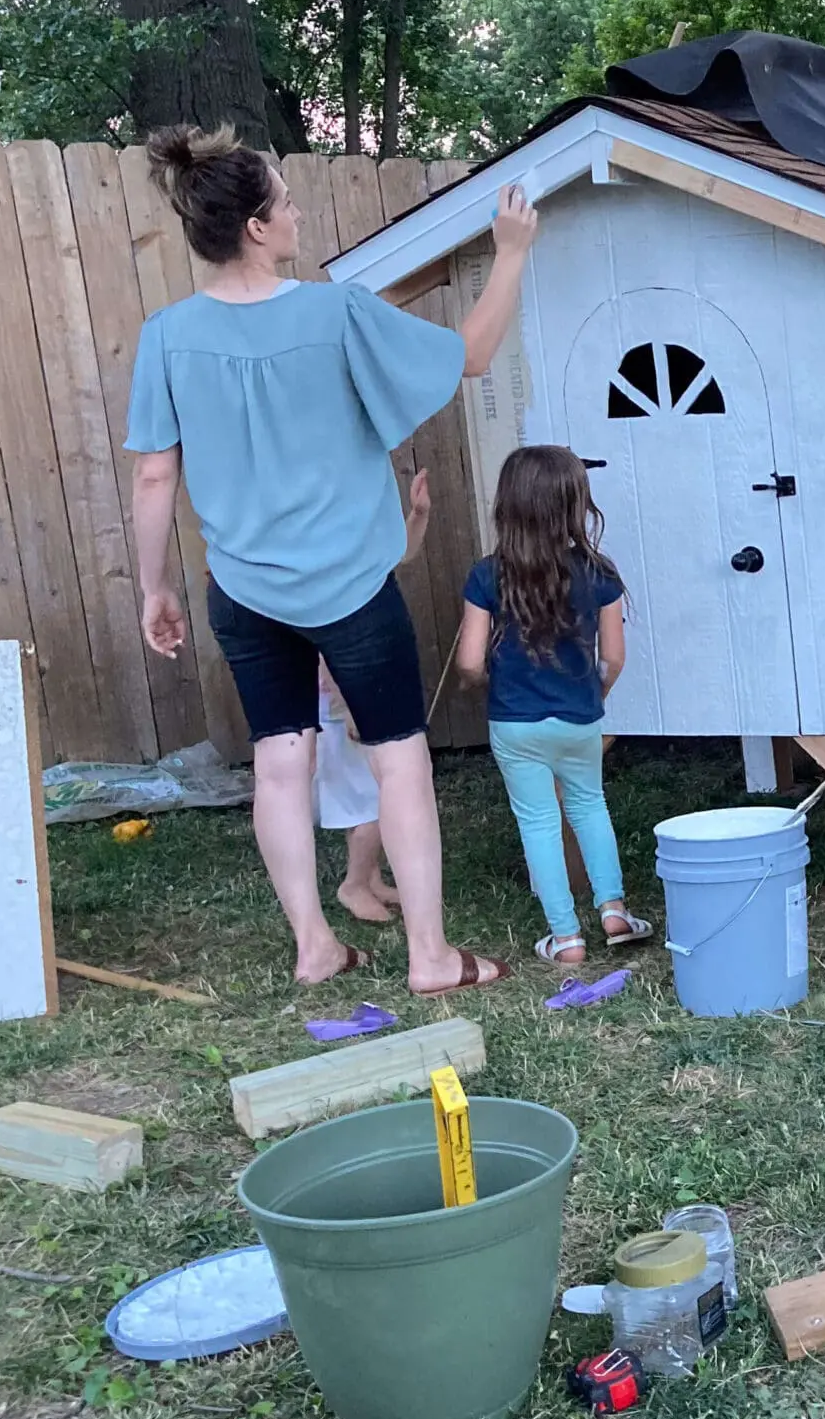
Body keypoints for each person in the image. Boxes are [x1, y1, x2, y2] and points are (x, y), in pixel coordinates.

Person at [125, 122, 536, 995]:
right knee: (399, 759)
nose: (297, 209)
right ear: (257, 230)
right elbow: (473, 355)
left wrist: (155, 585)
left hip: (242, 587)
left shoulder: (166, 336)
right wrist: (510, 252)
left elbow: (156, 475)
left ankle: (315, 945)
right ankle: (431, 957)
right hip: (351, 588)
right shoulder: (334, 310)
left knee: (280, 761)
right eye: (285, 201)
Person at [452, 444, 650, 967]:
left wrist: (481, 687)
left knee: (537, 821)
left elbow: (469, 661)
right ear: (574, 505)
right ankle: (614, 913)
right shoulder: (598, 573)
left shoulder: (486, 575)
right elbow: (614, 659)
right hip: (580, 719)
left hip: (515, 723)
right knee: (589, 806)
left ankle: (566, 938)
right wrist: (593, 697)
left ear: (507, 506)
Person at [321, 471, 431, 924]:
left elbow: (400, 554)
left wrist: (418, 515)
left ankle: (372, 878)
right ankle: (352, 884)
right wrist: (347, 708)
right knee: (372, 804)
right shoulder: (327, 578)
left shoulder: (356, 557)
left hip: (360, 698)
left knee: (376, 794)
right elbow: (326, 655)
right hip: (341, 709)